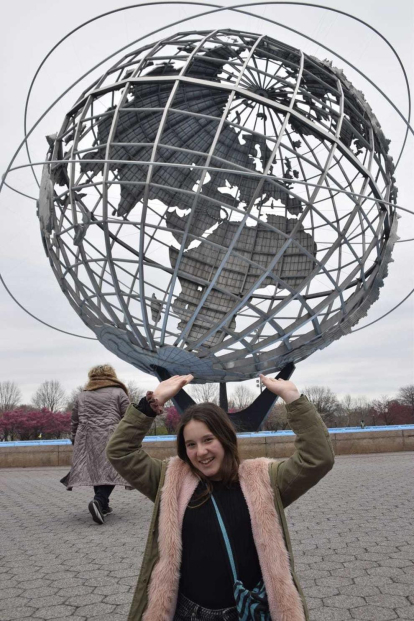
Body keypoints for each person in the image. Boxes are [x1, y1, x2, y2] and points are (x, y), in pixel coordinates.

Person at [106, 374, 335, 620]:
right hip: (188, 613)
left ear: (225, 438)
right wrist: (151, 404)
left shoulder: (264, 481)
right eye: (191, 444)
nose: (200, 452)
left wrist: (293, 399)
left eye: (208, 440)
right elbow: (120, 452)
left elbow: (317, 458)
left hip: (245, 612)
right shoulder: (171, 482)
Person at [63, 364, 130, 524]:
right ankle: (99, 501)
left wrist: (74, 439)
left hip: (86, 438)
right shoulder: (118, 392)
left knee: (96, 469)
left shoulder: (82, 396)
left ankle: (103, 506)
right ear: (112, 375)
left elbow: (75, 421)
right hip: (111, 435)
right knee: (112, 469)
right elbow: (129, 417)